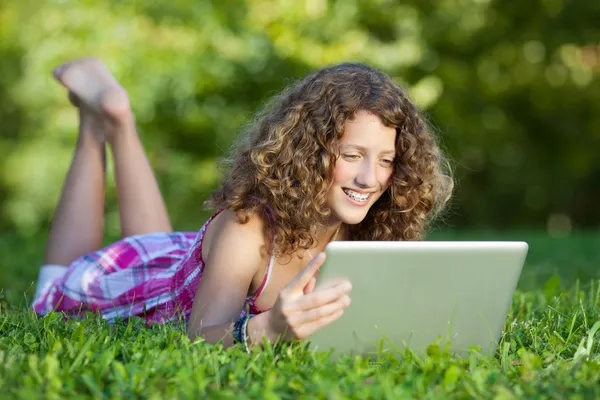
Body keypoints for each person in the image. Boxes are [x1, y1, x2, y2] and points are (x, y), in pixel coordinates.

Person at [31, 58, 453, 351]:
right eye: (351, 156)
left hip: (176, 261)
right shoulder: (246, 229)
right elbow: (198, 339)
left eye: (386, 160)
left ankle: (119, 119)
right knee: (52, 290)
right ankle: (93, 124)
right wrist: (266, 329)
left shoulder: (372, 225)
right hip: (134, 291)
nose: (370, 179)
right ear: (309, 151)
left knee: (154, 242)